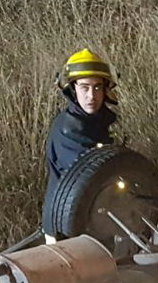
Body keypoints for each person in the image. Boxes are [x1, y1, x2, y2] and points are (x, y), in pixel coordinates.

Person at [45, 48, 119, 191]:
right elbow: (92, 177)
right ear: (73, 90)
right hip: (70, 212)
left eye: (97, 87)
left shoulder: (100, 122)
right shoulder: (68, 130)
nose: (91, 96)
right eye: (85, 88)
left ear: (105, 90)